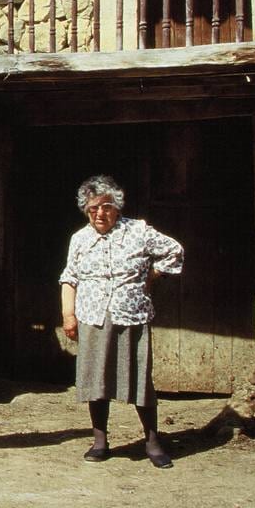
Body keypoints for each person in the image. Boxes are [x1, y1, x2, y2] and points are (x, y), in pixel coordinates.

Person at [60, 175, 184, 469]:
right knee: (95, 380)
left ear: (117, 206)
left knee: (140, 379)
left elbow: (174, 250)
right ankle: (100, 441)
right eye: (92, 209)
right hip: (93, 315)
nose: (99, 214)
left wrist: (152, 275)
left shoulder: (138, 231)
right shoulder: (80, 239)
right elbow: (69, 278)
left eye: (106, 207)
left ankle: (153, 442)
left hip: (132, 315)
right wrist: (68, 315)